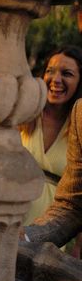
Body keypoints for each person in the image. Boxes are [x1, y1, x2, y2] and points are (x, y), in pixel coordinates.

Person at [20, 46, 82, 225]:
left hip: (49, 227)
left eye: (67, 74)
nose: (56, 80)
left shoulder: (78, 126)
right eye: (50, 71)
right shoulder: (25, 114)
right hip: (7, 216)